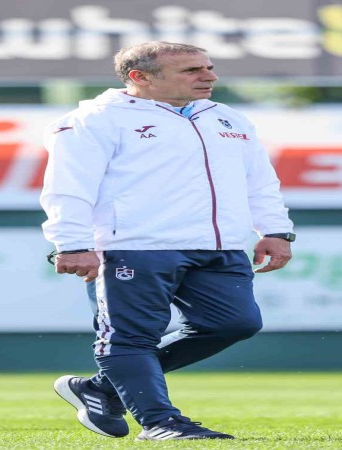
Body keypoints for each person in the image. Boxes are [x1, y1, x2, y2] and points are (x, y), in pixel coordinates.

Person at [40, 41, 295, 441]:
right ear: (140, 77)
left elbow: (260, 182)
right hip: (133, 246)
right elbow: (67, 188)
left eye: (208, 67)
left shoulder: (227, 117)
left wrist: (275, 230)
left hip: (220, 246)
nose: (209, 76)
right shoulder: (95, 119)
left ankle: (102, 389)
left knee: (235, 324)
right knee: (131, 338)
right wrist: (71, 243)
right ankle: (160, 421)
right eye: (191, 70)